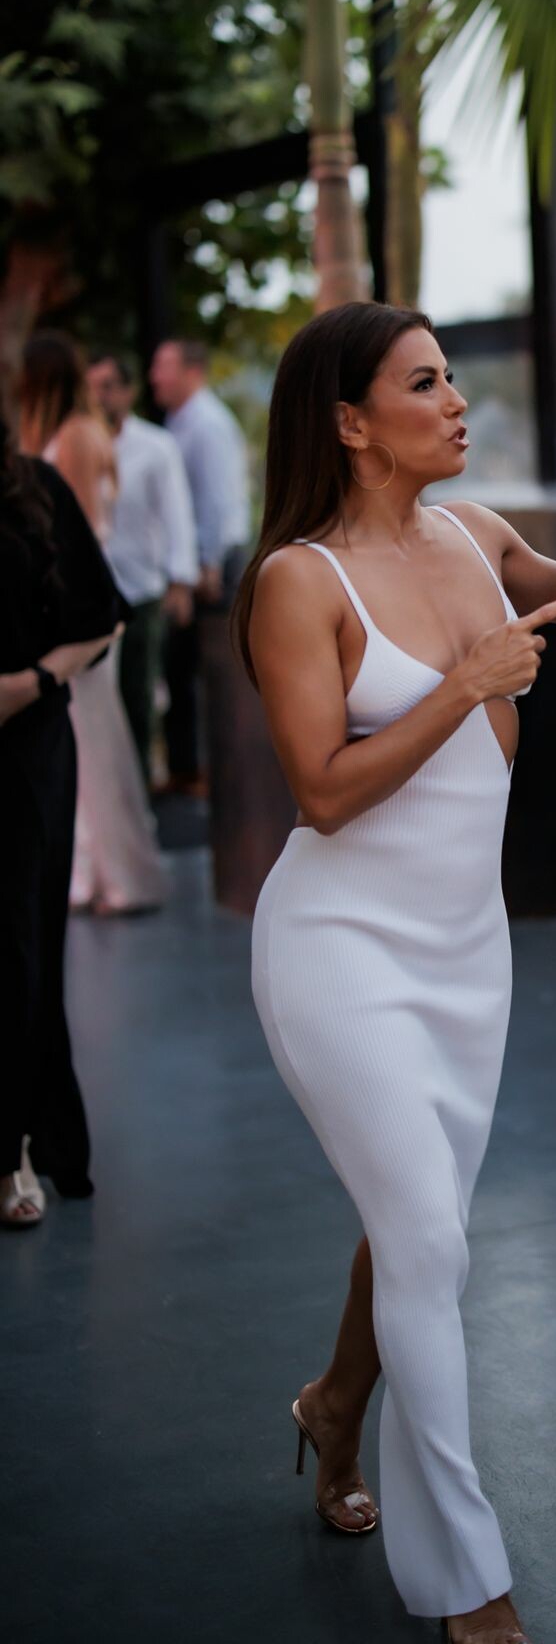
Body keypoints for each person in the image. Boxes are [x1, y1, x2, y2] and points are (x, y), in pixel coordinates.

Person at [235, 302, 556, 1644]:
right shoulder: (299, 582)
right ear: (349, 420)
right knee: (431, 1239)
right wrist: (466, 682)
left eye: (451, 378)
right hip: (340, 950)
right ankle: (468, 1589)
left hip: (466, 955)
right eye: (424, 382)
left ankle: (335, 1407)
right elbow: (322, 794)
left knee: (411, 1226)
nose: (455, 401)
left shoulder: (477, 536)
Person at [0, 397, 126, 1227]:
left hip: (25, 747)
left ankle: (14, 1146)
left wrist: (30, 682)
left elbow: (99, 617)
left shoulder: (33, 488)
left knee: (19, 947)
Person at [19, 332, 168, 915]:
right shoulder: (78, 431)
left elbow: (76, 532)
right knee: (86, 742)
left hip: (79, 612)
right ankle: (92, 873)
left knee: (98, 748)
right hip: (75, 608)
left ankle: (121, 876)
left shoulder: (78, 436)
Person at [85, 350, 198, 781]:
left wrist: (180, 580)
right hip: (92, 595)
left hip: (140, 590)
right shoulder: (79, 444)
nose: (100, 398)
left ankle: (140, 791)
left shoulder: (155, 446)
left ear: (127, 392)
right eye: (92, 389)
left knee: (139, 695)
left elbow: (176, 514)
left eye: (108, 387)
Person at [150, 337, 250, 792]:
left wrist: (207, 564)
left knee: (208, 668)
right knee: (183, 667)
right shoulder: (181, 420)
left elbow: (218, 500)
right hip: (199, 560)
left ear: (192, 371)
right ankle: (189, 768)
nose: (155, 376)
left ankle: (213, 773)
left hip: (214, 563)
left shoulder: (207, 424)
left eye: (164, 366)